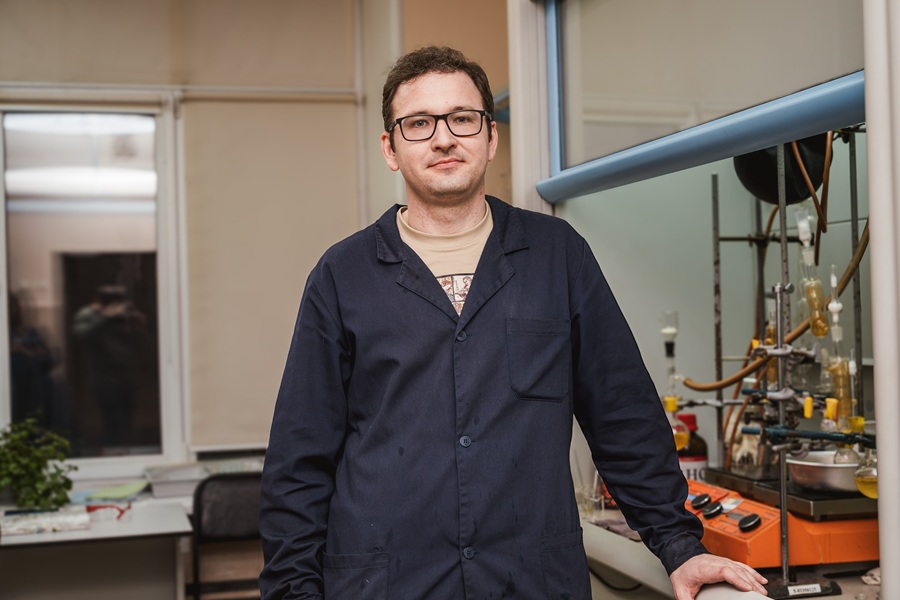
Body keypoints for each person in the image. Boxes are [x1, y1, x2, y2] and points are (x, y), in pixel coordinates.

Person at [259, 46, 768, 600]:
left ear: (490, 136)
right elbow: (300, 457)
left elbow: (622, 413)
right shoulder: (343, 275)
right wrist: (292, 591)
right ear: (390, 148)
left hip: (529, 580)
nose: (443, 138)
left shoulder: (556, 255)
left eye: (462, 118)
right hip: (386, 583)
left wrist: (680, 546)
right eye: (419, 123)